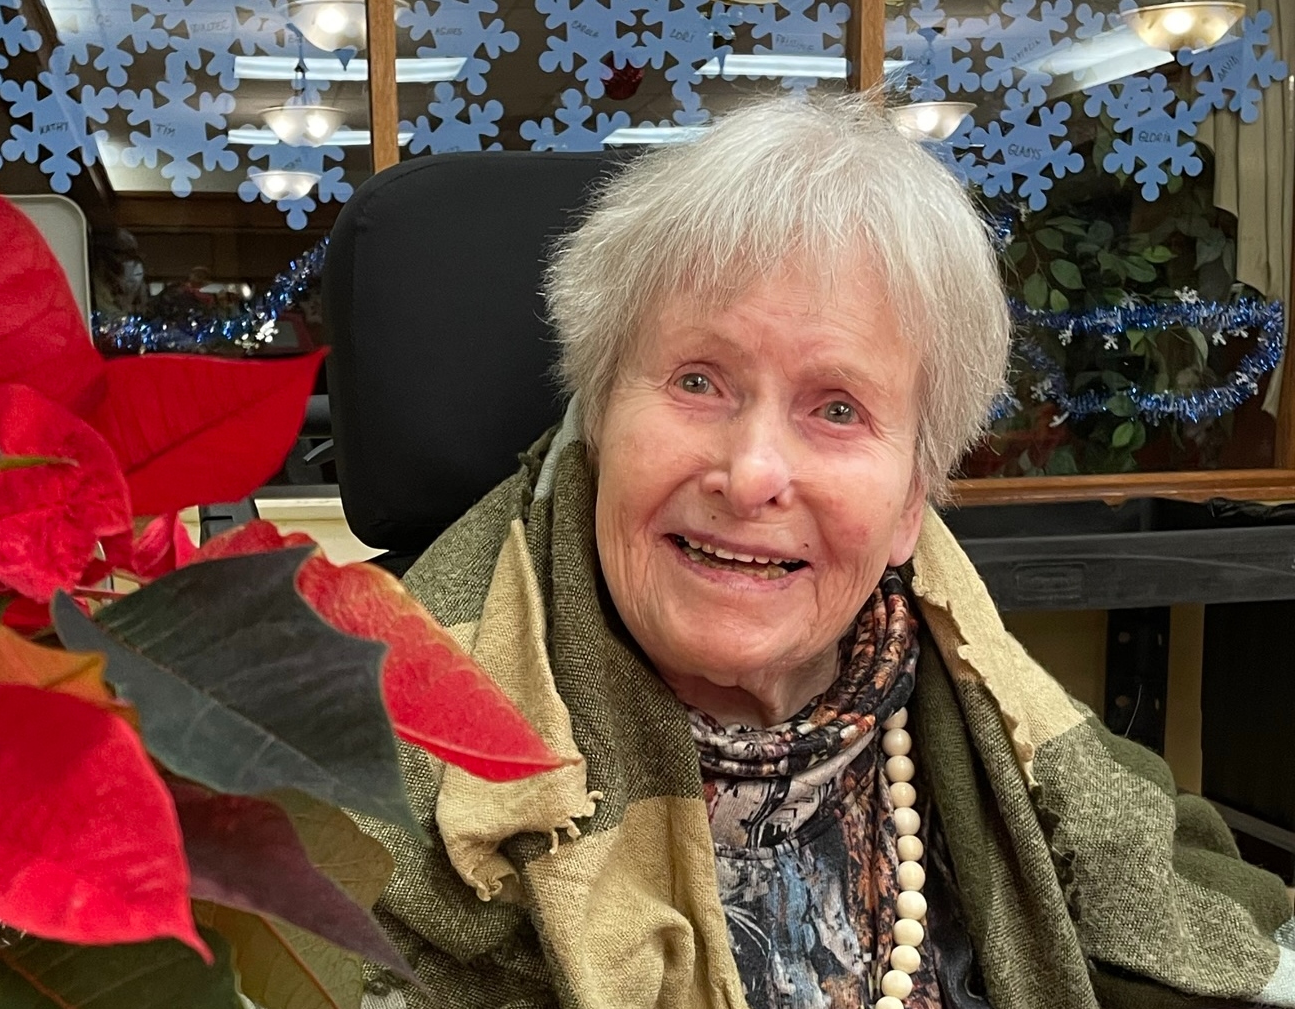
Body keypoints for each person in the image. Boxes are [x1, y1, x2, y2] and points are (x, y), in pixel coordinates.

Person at [357, 94, 1295, 1009]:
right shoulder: (342, 780)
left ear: (910, 505)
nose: (754, 471)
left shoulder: (995, 728)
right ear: (598, 420)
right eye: (698, 379)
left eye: (838, 408)